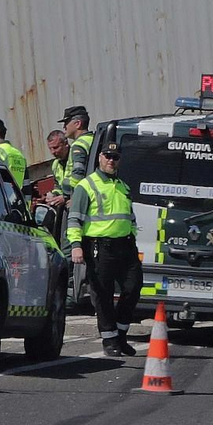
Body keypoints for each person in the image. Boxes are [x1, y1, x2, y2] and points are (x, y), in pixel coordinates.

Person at [67, 141, 142, 358]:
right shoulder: (86, 186)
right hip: (100, 247)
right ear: (100, 157)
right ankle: (110, 339)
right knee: (103, 294)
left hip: (126, 245)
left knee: (134, 287)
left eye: (115, 157)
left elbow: (130, 217)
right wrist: (76, 246)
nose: (111, 160)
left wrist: (133, 237)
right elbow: (75, 219)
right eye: (107, 156)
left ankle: (120, 334)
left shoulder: (123, 186)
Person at [62, 105, 93, 188]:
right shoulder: (92, 139)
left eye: (66, 123)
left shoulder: (78, 145)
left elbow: (78, 173)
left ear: (78, 124)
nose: (64, 127)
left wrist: (70, 192)